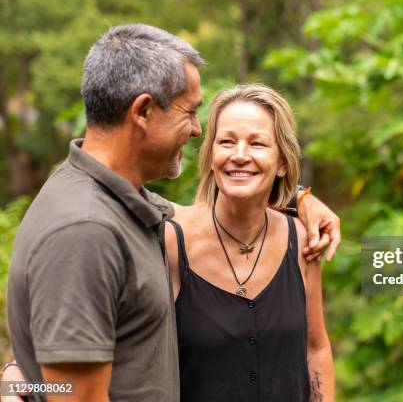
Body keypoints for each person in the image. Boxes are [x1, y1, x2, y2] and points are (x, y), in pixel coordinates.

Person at [3, 24, 340, 402]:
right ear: (144, 111)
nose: (198, 131)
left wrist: (300, 196)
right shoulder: (87, 229)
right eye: (191, 112)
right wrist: (16, 380)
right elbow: (72, 392)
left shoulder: (131, 209)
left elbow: (59, 375)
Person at [165, 84, 334, 401]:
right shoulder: (172, 241)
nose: (239, 156)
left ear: (283, 162)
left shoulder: (302, 240)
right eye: (227, 142)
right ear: (212, 154)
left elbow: (316, 348)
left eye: (257, 144)